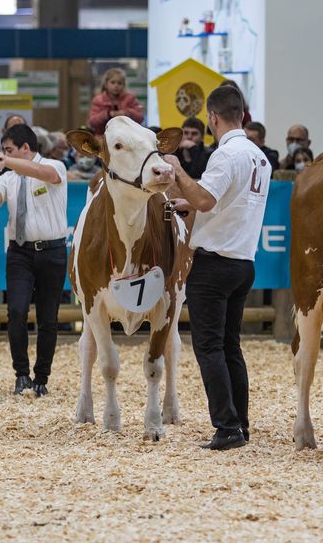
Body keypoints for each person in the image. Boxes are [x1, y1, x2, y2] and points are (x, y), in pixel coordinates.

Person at [162, 85, 271, 451]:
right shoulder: (260, 157)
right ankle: (240, 423)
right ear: (242, 114)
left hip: (213, 263)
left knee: (209, 347)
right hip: (243, 261)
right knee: (230, 346)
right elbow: (220, 202)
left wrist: (178, 171)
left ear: (212, 117)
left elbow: (206, 200)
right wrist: (187, 200)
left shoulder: (225, 156)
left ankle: (226, 428)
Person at [0, 124, 68, 397]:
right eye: (3, 151)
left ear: (25, 148)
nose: (4, 155)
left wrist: (5, 162)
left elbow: (43, 173)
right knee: (16, 312)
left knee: (48, 318)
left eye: (9, 150)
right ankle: (21, 375)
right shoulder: (8, 178)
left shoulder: (54, 166)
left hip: (52, 251)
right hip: (20, 252)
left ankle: (42, 378)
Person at [88, 68, 144, 135]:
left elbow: (140, 118)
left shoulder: (130, 98)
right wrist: (108, 114)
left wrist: (126, 113)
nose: (116, 85)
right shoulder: (98, 100)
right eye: (113, 82)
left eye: (119, 83)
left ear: (124, 85)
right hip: (103, 137)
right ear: (106, 84)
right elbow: (92, 122)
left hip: (127, 136)